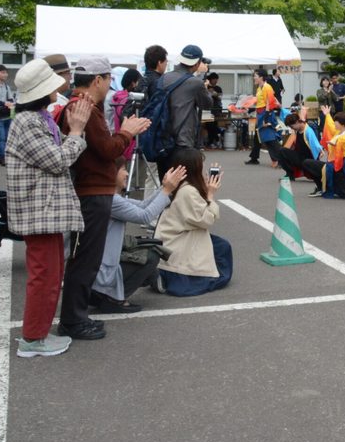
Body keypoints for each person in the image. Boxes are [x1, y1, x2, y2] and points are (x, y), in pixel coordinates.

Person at [57, 55, 151, 341]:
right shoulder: (85, 108)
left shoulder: (77, 106)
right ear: (98, 80)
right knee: (85, 259)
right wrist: (127, 132)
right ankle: (73, 320)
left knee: (84, 258)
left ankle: (77, 316)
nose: (110, 86)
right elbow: (107, 149)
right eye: (109, 79)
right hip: (92, 192)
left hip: (88, 189)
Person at [7, 59, 93, 357]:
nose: (60, 86)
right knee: (44, 275)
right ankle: (33, 339)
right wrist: (78, 131)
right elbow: (57, 161)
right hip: (39, 211)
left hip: (45, 211)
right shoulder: (29, 121)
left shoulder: (38, 117)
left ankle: (38, 334)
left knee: (51, 273)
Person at [90, 162, 186, 312]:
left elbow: (142, 205)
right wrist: (167, 190)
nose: (127, 174)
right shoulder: (111, 200)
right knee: (152, 256)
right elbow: (145, 216)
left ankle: (107, 295)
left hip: (96, 267)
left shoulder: (107, 196)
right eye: (122, 169)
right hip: (100, 271)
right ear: (110, 173)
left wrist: (163, 187)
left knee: (148, 253)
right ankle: (113, 299)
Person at [155, 148, 232, 297]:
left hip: (170, 241)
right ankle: (169, 280)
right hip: (179, 244)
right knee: (221, 252)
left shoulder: (177, 185)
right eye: (201, 164)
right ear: (194, 168)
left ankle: (165, 277)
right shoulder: (188, 191)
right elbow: (206, 219)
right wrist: (210, 194)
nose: (203, 168)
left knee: (220, 246)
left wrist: (204, 188)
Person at [155, 45, 212, 178]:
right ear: (197, 63)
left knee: (166, 186)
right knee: (184, 185)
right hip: (183, 142)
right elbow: (207, 103)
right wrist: (203, 83)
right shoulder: (195, 83)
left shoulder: (164, 78)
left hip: (163, 141)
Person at [277, 112, 324, 193]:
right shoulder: (297, 130)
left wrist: (320, 151)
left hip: (307, 160)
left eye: (292, 126)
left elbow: (315, 144)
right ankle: (290, 175)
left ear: (297, 122)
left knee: (306, 162)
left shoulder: (308, 131)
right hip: (299, 156)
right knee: (282, 151)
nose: (292, 128)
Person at [246, 68, 280, 165]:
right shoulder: (259, 88)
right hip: (260, 113)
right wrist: (248, 105)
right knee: (258, 136)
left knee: (269, 138)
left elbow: (270, 103)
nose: (254, 78)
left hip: (266, 113)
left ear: (261, 77)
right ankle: (254, 158)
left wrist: (265, 118)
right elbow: (259, 101)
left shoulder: (267, 87)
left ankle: (279, 159)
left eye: (255, 76)